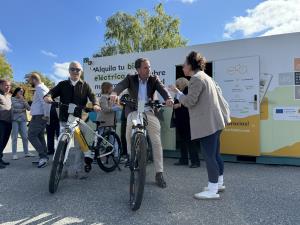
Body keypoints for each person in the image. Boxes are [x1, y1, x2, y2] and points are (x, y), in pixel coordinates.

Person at [169, 51, 226, 199]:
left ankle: (212, 189)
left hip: (208, 123)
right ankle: (219, 183)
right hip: (217, 121)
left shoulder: (196, 79)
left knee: (209, 156)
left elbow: (189, 102)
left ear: (191, 65)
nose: (183, 66)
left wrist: (176, 92)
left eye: (185, 64)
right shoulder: (207, 77)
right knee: (215, 154)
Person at [110, 58, 173, 188]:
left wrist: (168, 98)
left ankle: (159, 173)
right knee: (128, 133)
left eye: (149, 67)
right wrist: (114, 93)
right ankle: (130, 157)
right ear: (138, 69)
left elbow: (163, 90)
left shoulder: (154, 79)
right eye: (145, 67)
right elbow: (120, 86)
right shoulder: (130, 78)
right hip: (134, 110)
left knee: (156, 142)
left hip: (149, 111)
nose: (148, 69)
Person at [44, 61, 101, 178]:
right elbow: (52, 92)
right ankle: (62, 170)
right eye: (72, 69)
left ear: (81, 72)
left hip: (80, 119)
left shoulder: (85, 85)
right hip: (65, 119)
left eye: (78, 70)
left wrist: (95, 104)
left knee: (79, 146)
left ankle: (77, 170)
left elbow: (93, 96)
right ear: (69, 71)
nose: (75, 71)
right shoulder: (62, 84)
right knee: (63, 144)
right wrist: (48, 96)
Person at [172, 78, 200, 168]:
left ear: (183, 83)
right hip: (180, 120)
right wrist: (173, 104)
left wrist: (179, 105)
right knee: (182, 141)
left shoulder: (188, 89)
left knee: (190, 141)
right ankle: (183, 159)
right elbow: (176, 102)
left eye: (178, 85)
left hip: (188, 120)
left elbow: (190, 102)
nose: (177, 86)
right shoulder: (179, 92)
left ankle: (195, 162)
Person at [28, 73, 51, 168]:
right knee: (40, 136)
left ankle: (43, 157)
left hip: (39, 116)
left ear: (34, 79)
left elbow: (45, 102)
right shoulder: (44, 87)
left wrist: (46, 115)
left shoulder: (39, 88)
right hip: (40, 115)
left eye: (30, 80)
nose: (30, 82)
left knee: (31, 135)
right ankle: (44, 156)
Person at [96, 82, 122, 157]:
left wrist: (117, 105)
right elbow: (105, 109)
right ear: (107, 88)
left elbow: (112, 106)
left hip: (109, 122)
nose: (112, 89)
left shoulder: (110, 97)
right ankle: (97, 155)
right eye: (111, 87)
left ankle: (116, 154)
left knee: (112, 139)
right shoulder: (103, 97)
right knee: (100, 139)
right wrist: (115, 108)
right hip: (103, 122)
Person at [11, 87, 34, 160]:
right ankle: (14, 154)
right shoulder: (11, 99)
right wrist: (21, 110)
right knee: (14, 137)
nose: (21, 93)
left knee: (25, 136)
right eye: (20, 91)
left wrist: (24, 101)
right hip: (15, 120)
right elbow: (12, 110)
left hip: (23, 120)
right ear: (16, 92)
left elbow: (29, 109)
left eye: (22, 92)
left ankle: (26, 152)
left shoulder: (23, 99)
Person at [0, 79, 12, 169]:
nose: (8, 87)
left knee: (4, 141)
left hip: (9, 122)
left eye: (9, 85)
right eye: (6, 85)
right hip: (1, 122)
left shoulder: (9, 96)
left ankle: (0, 159)